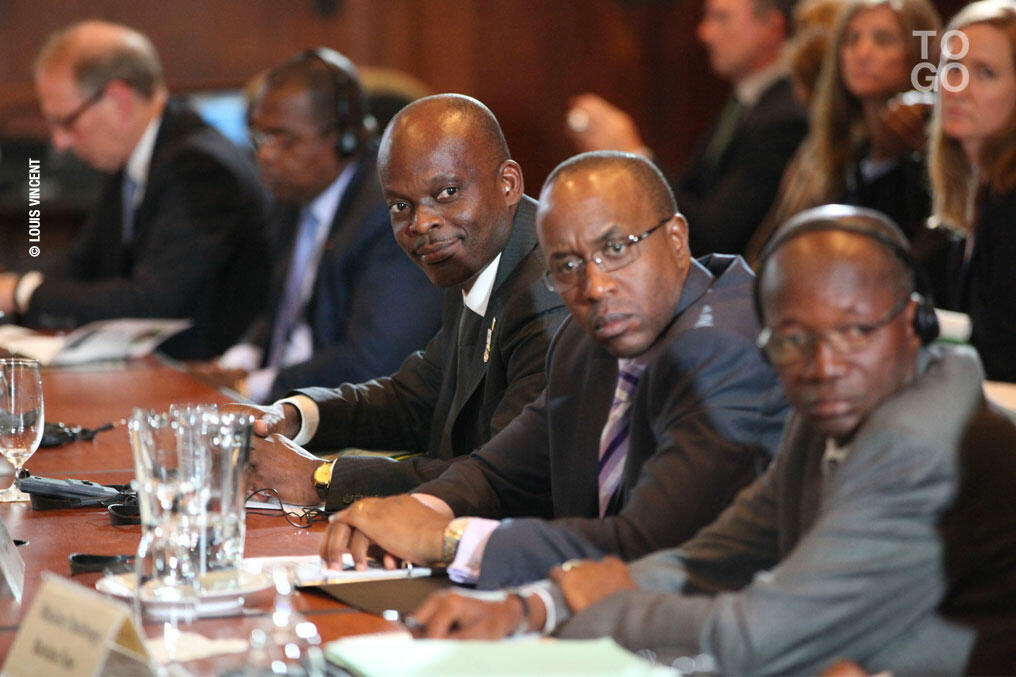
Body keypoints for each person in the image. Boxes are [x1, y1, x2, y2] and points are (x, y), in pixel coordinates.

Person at [410, 205, 993, 677]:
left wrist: (589, 610)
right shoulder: (836, 411)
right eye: (793, 340)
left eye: (855, 331)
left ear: (915, 323)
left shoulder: (915, 443)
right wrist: (534, 605)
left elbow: (755, 633)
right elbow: (717, 555)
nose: (823, 366)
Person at [318, 151, 788, 590]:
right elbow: (503, 470)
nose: (595, 286)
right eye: (566, 265)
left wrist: (449, 539)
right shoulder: (585, 340)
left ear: (676, 240)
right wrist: (419, 509)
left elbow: (648, 543)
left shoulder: (727, 349)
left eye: (616, 248)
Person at [241, 94, 567, 507]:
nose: (422, 223)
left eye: (447, 192)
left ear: (508, 184)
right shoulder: (476, 257)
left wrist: (318, 477)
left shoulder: (549, 293)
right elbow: (415, 400)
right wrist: (294, 416)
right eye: (400, 206)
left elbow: (505, 476)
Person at [0, 21, 269, 359]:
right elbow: (81, 268)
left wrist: (22, 292)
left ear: (118, 101)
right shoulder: (129, 158)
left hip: (206, 376)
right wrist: (14, 290)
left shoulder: (200, 167)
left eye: (66, 122)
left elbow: (150, 303)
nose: (60, 142)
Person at [194, 49, 441, 403]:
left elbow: (374, 360)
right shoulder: (293, 195)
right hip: (284, 400)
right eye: (260, 137)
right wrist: (239, 360)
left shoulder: (390, 215)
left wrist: (255, 387)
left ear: (345, 138)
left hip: (346, 414)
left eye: (285, 140)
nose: (265, 155)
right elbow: (284, 310)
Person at [565, 0, 807, 256]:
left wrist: (633, 156)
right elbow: (694, 195)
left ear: (771, 28)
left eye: (721, 18)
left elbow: (711, 241)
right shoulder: (745, 101)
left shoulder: (783, 118)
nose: (705, 33)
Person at [747, 0, 943, 265]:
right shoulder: (842, 149)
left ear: (920, 54)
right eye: (851, 40)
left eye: (883, 40)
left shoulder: (934, 154)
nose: (862, 53)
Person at [930, 0, 1016, 382]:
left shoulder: (1009, 201)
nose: (957, 88)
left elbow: (1002, 354)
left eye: (985, 73)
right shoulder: (983, 186)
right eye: (952, 68)